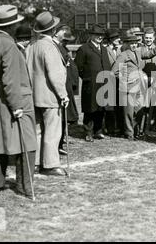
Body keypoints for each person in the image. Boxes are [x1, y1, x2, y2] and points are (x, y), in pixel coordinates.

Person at [0, 5, 37, 195]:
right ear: (12, 26)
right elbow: (11, 79)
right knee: (28, 142)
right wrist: (17, 106)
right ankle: (25, 186)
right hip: (13, 97)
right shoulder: (10, 46)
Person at [26, 11, 69, 176]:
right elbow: (55, 75)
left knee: (37, 130)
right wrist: (63, 95)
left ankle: (36, 162)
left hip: (33, 95)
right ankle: (50, 164)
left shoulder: (31, 45)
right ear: (53, 29)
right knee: (52, 130)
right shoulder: (50, 46)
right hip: (50, 96)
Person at [112, 30, 156, 140]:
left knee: (140, 110)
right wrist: (126, 80)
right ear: (126, 44)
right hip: (128, 88)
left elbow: (152, 52)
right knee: (128, 113)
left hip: (139, 87)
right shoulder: (123, 55)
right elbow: (115, 71)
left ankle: (135, 130)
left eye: (135, 43)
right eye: (131, 43)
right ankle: (129, 133)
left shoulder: (138, 52)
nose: (134, 45)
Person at [76, 24, 112, 142]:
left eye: (101, 35)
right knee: (90, 109)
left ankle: (98, 131)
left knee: (101, 108)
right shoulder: (84, 49)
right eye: (97, 35)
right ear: (91, 35)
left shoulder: (104, 49)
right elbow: (78, 67)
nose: (99, 37)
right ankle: (88, 132)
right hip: (91, 84)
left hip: (104, 82)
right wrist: (87, 78)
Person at [53, 25, 79, 155]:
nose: (67, 42)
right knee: (60, 117)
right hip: (60, 86)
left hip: (67, 85)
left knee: (65, 118)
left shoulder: (64, 48)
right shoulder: (55, 48)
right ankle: (56, 145)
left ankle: (60, 142)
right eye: (65, 40)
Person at [104, 29, 124, 136]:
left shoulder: (122, 49)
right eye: (116, 38)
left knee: (120, 105)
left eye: (118, 37)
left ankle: (120, 128)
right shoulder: (105, 50)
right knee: (110, 106)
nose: (118, 39)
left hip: (121, 81)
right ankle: (110, 128)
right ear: (110, 40)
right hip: (110, 80)